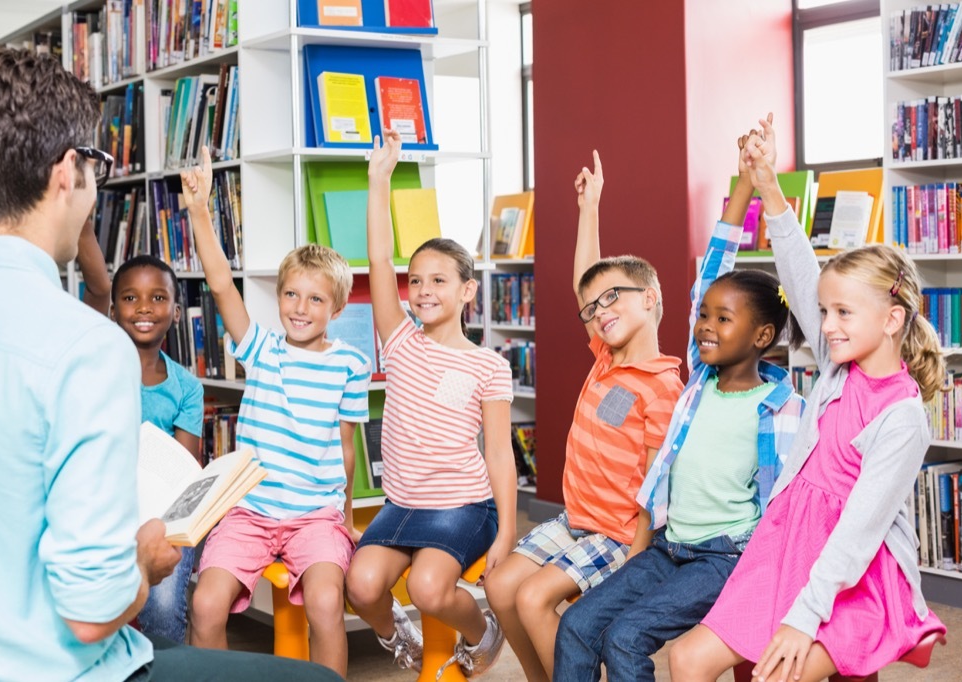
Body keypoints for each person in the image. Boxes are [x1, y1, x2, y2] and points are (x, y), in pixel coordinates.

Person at [0, 45, 339, 681]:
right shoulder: (86, 348)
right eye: (97, 166)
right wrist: (148, 563)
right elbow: (92, 611)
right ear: (66, 173)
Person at [669, 116, 948, 682]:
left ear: (892, 320)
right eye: (825, 312)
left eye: (843, 312)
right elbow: (799, 274)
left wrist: (803, 618)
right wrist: (768, 185)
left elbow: (859, 530)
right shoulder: (836, 367)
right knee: (687, 658)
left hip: (852, 570)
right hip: (786, 541)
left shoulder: (902, 415)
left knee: (778, 671)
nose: (828, 324)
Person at [553, 126, 807, 682]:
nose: (705, 326)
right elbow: (713, 267)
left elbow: (786, 508)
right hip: (670, 547)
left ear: (764, 336)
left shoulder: (783, 406)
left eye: (723, 319)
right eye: (703, 316)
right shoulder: (698, 384)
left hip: (723, 558)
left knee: (624, 639)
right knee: (575, 625)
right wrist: (742, 183)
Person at [483, 150, 684, 681]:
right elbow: (585, 283)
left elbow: (657, 487)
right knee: (499, 587)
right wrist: (588, 208)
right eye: (593, 308)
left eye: (614, 297)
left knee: (533, 599)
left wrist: (639, 561)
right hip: (576, 520)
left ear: (651, 298)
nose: (601, 309)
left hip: (619, 535)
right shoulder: (605, 358)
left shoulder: (662, 384)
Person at [181, 146, 369, 678]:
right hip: (249, 512)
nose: (299, 307)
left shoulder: (350, 365)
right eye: (291, 294)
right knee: (205, 605)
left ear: (336, 308)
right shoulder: (263, 349)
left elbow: (346, 446)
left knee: (328, 605)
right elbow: (220, 285)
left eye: (314, 299)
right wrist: (199, 208)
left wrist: (347, 514)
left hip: (316, 514)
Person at [344, 129, 516, 679]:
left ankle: (484, 631)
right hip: (403, 504)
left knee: (427, 585)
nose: (422, 290)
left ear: (467, 291)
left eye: (438, 280)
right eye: (415, 280)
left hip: (463, 506)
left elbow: (499, 453)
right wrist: (378, 183)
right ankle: (403, 635)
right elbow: (376, 257)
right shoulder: (398, 339)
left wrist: (507, 531)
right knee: (362, 585)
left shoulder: (488, 365)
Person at [76, 236, 205, 643]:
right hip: (103, 513)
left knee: (164, 607)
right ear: (113, 311)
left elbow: (185, 471)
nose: (145, 308)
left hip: (164, 523)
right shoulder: (95, 372)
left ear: (177, 312)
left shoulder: (186, 387)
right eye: (130, 298)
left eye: (157, 298)